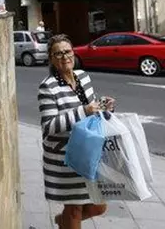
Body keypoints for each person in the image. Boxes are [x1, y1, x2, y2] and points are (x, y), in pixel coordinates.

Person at [38, 34, 115, 229]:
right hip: (65, 158)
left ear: (73, 53)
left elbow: (91, 106)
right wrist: (83, 111)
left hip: (87, 153)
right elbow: (49, 126)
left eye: (67, 51)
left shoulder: (83, 77)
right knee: (74, 209)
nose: (64, 57)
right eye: (58, 54)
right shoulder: (48, 87)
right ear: (51, 58)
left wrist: (105, 106)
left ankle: (62, 222)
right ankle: (67, 222)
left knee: (98, 206)